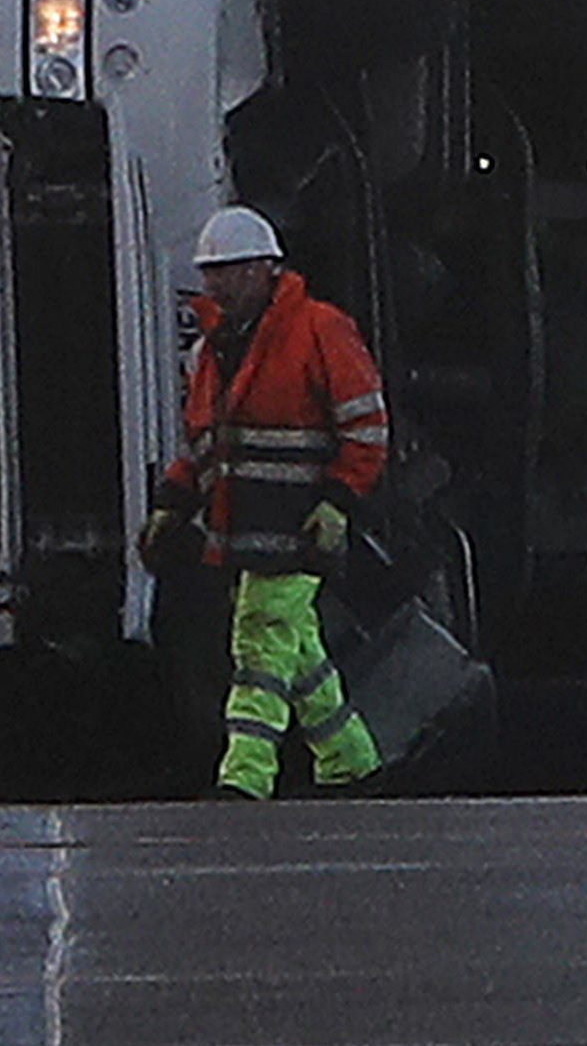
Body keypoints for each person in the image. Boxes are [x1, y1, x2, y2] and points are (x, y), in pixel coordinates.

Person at [135, 206, 388, 798]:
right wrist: (171, 503)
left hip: (299, 530)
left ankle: (245, 776)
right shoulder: (212, 352)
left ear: (265, 270)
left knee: (257, 644)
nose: (218, 285)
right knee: (297, 651)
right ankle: (349, 759)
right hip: (247, 534)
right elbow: (205, 445)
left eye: (230, 271)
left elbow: (367, 428)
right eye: (211, 273)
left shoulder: (320, 331)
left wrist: (337, 503)